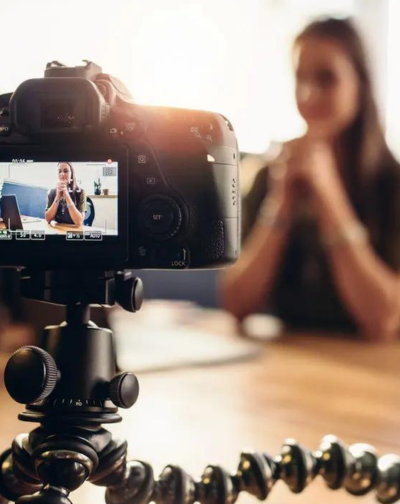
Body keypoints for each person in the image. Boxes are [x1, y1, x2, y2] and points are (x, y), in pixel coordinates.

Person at [220, 17, 400, 342]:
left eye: (326, 78)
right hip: (292, 372)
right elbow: (236, 303)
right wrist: (281, 202)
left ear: (361, 83)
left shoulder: (392, 184)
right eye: (300, 78)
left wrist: (330, 197)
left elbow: (385, 320)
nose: (308, 94)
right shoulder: (269, 177)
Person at [45, 161, 87, 226]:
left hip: (74, 231)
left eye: (65, 171)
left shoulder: (80, 192)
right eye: (59, 171)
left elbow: (79, 222)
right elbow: (48, 219)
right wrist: (58, 196)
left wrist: (66, 195)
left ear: (71, 174)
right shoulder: (52, 192)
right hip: (59, 230)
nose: (62, 174)